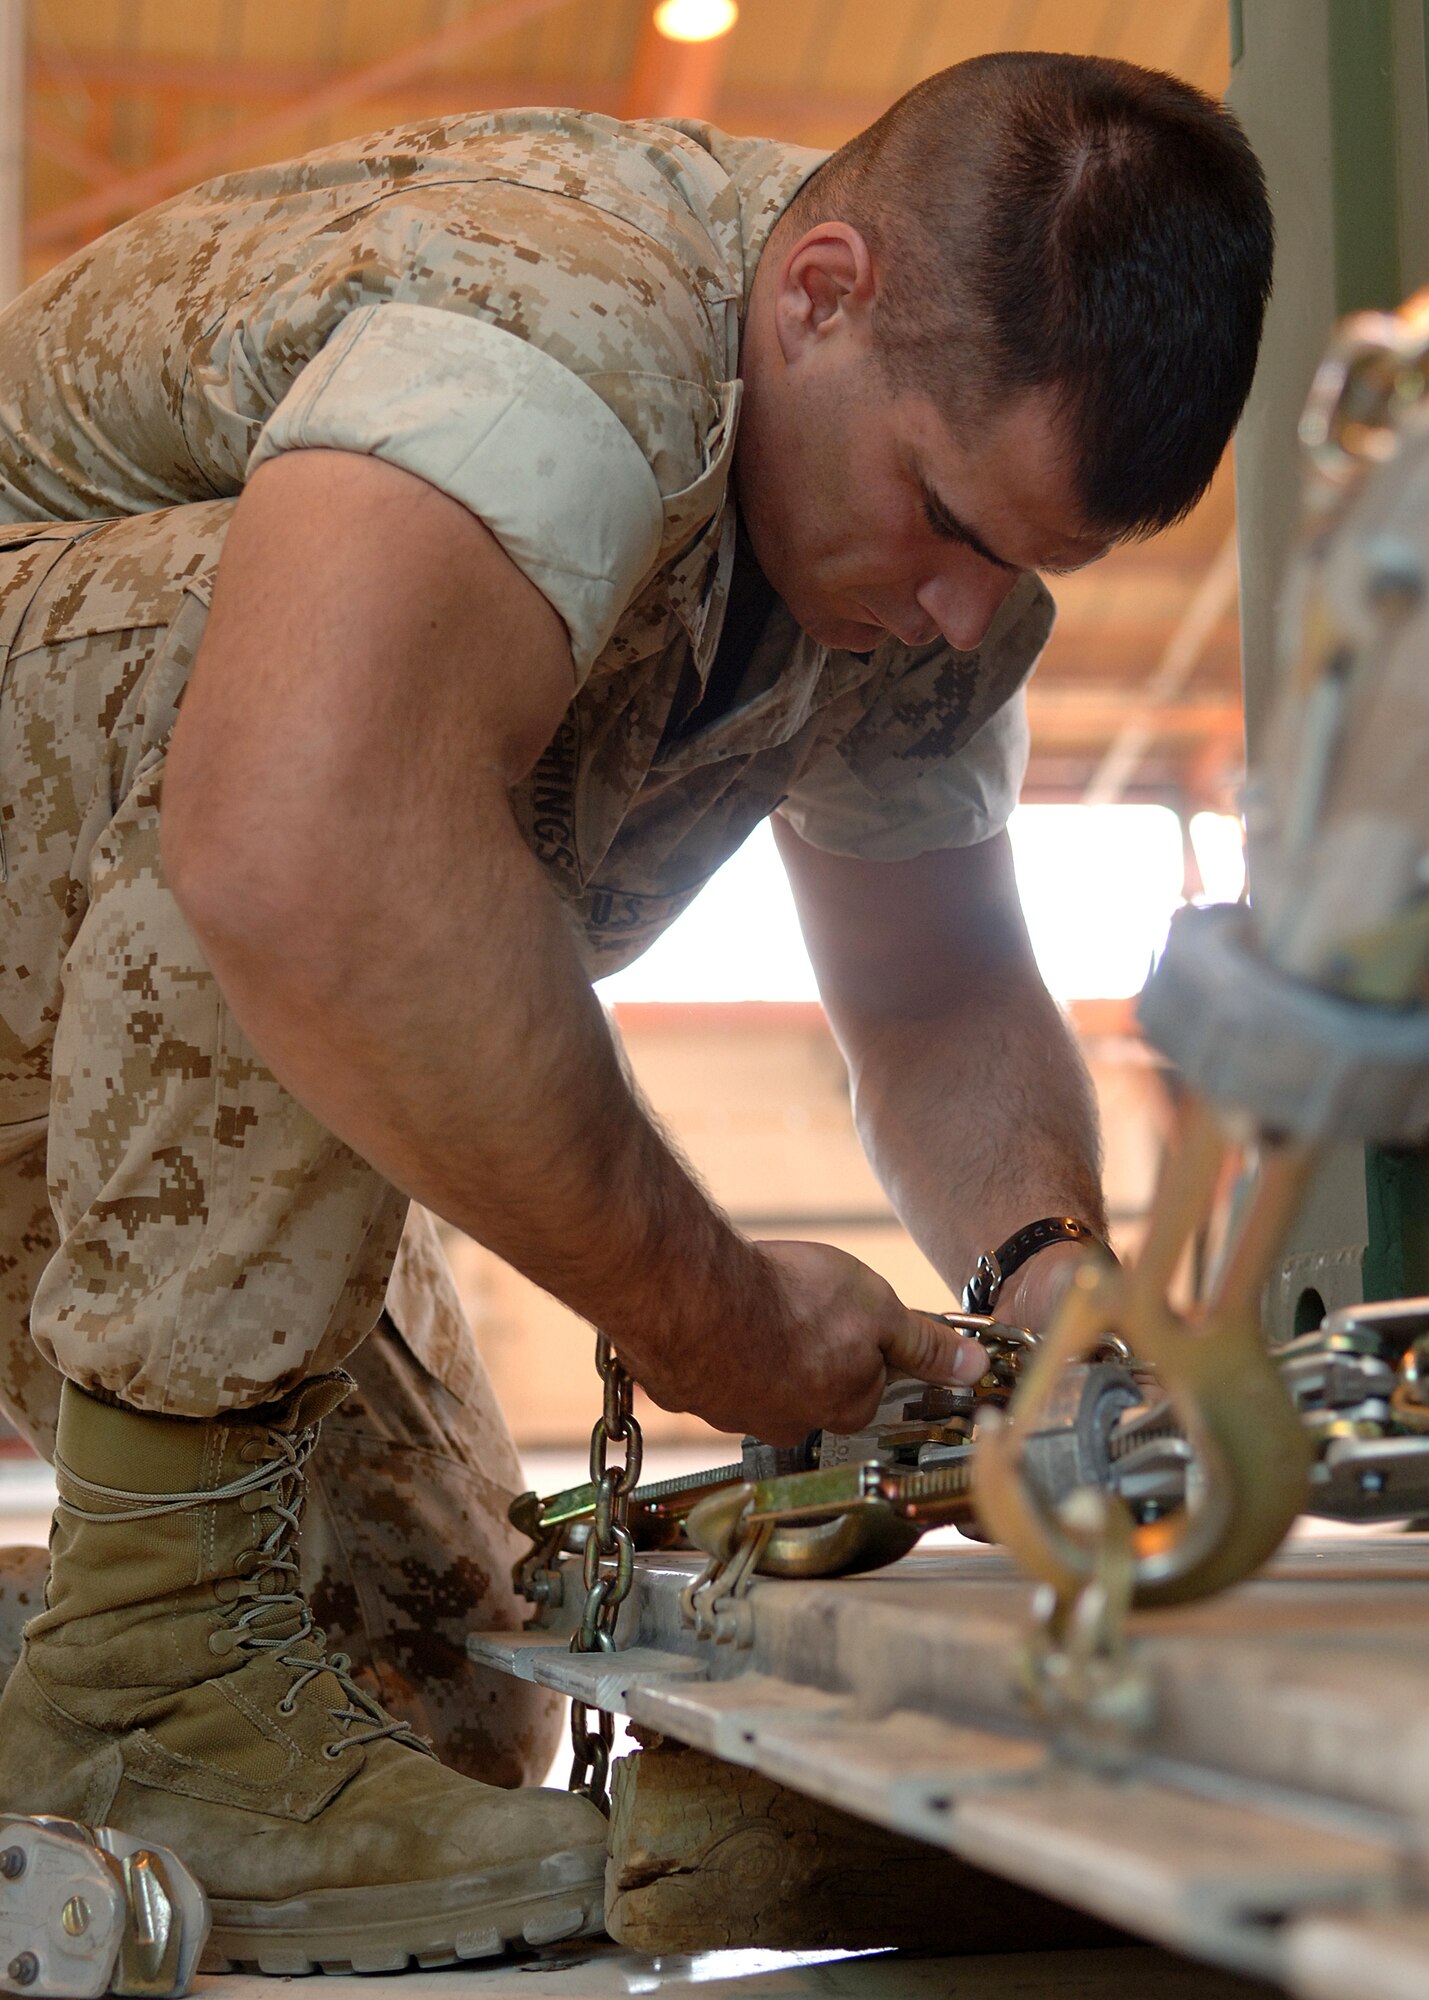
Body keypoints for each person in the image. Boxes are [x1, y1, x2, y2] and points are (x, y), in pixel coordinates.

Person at [0, 49, 1271, 1971]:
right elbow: (299, 843)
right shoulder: (562, 328)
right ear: (818, 292)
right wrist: (720, 1315)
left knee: (428, 1673)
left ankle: (142, 1692)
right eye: (942, 514)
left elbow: (931, 985)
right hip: (119, 867)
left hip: (98, 1078)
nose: (959, 613)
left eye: (1023, 565)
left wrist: (1046, 1282)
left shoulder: (927, 581)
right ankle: (135, 1680)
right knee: (290, 704)